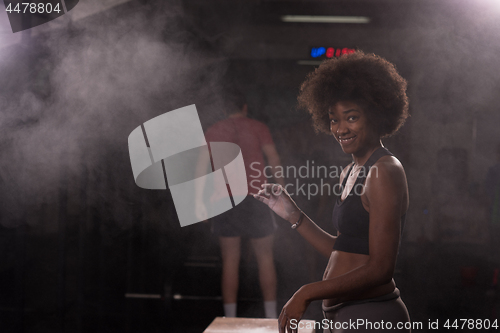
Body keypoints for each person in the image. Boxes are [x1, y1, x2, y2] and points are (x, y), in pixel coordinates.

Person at [254, 51, 411, 333]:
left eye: (351, 117)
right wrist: (294, 216)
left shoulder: (385, 171)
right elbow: (344, 249)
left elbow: (381, 268)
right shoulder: (349, 172)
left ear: (375, 115)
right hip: (343, 318)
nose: (341, 129)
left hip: (372, 317)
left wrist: (307, 292)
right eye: (334, 119)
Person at [196, 88, 284, 318]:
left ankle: (230, 318)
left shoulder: (215, 129)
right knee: (265, 258)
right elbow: (274, 159)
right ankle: (271, 316)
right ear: (245, 108)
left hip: (225, 200)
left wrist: (199, 202)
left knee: (230, 261)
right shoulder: (258, 127)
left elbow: (201, 167)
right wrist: (282, 192)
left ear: (225, 110)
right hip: (258, 197)